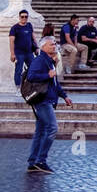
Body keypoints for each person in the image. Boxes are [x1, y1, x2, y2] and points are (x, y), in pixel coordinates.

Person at [24, 37, 72, 173]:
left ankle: (33, 162)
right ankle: (41, 160)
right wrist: (47, 75)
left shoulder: (50, 61)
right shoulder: (39, 60)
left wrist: (64, 96)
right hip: (42, 101)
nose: (55, 46)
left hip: (48, 99)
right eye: (52, 44)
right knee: (52, 128)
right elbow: (31, 76)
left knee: (40, 132)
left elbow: (54, 83)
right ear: (43, 47)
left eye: (55, 43)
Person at [9, 9, 36, 89]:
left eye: (26, 17)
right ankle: (18, 88)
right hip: (19, 53)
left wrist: (36, 47)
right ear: (19, 17)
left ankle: (30, 86)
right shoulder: (14, 28)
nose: (24, 18)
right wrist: (12, 54)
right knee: (18, 70)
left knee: (33, 69)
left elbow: (33, 37)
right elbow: (11, 41)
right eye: (22, 17)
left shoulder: (29, 25)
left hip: (29, 52)